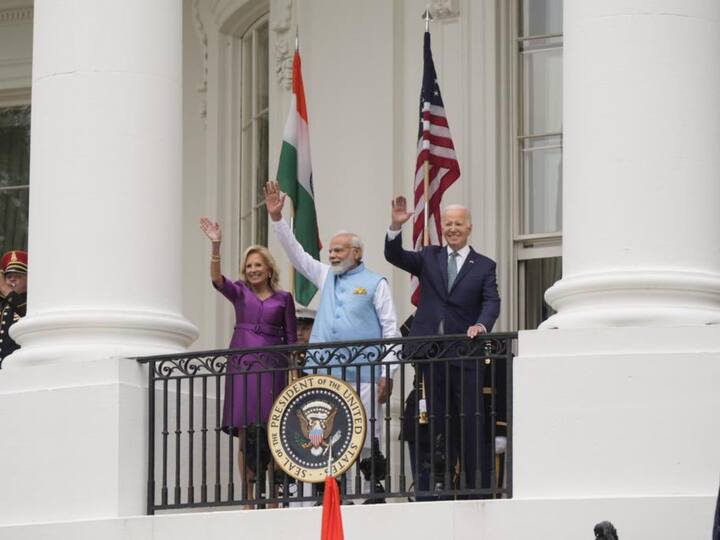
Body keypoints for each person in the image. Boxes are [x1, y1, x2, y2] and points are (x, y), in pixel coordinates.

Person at [264, 180, 400, 500]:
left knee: (367, 432)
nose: (332, 253)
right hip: (325, 372)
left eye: (339, 249)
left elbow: (391, 330)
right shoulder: (326, 274)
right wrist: (277, 219)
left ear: (356, 253)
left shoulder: (375, 283)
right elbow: (297, 255)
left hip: (364, 372)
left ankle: (372, 488)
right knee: (325, 430)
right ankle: (330, 487)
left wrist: (387, 372)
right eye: (332, 249)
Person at [384, 196, 500, 495]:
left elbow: (491, 301)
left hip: (465, 351)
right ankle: (439, 478)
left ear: (469, 227)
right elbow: (394, 256)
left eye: (458, 223)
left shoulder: (484, 265)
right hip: (431, 353)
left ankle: (474, 482)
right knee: (435, 418)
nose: (452, 228)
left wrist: (482, 325)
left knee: (468, 417)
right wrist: (396, 226)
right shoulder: (429, 256)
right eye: (447, 223)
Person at [199, 218, 297, 507]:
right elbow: (217, 280)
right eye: (248, 266)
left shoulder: (284, 298)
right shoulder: (239, 292)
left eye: (258, 265)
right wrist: (216, 245)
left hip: (273, 368)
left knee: (273, 430)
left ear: (269, 269)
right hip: (243, 366)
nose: (253, 270)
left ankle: (274, 497)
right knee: (246, 432)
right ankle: (249, 497)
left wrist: (293, 373)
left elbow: (291, 339)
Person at [0, 250, 28, 367]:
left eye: (18, 276)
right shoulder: (4, 303)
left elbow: (25, 311)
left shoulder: (33, 299)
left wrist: (5, 288)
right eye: (9, 276)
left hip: (19, 366)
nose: (12, 280)